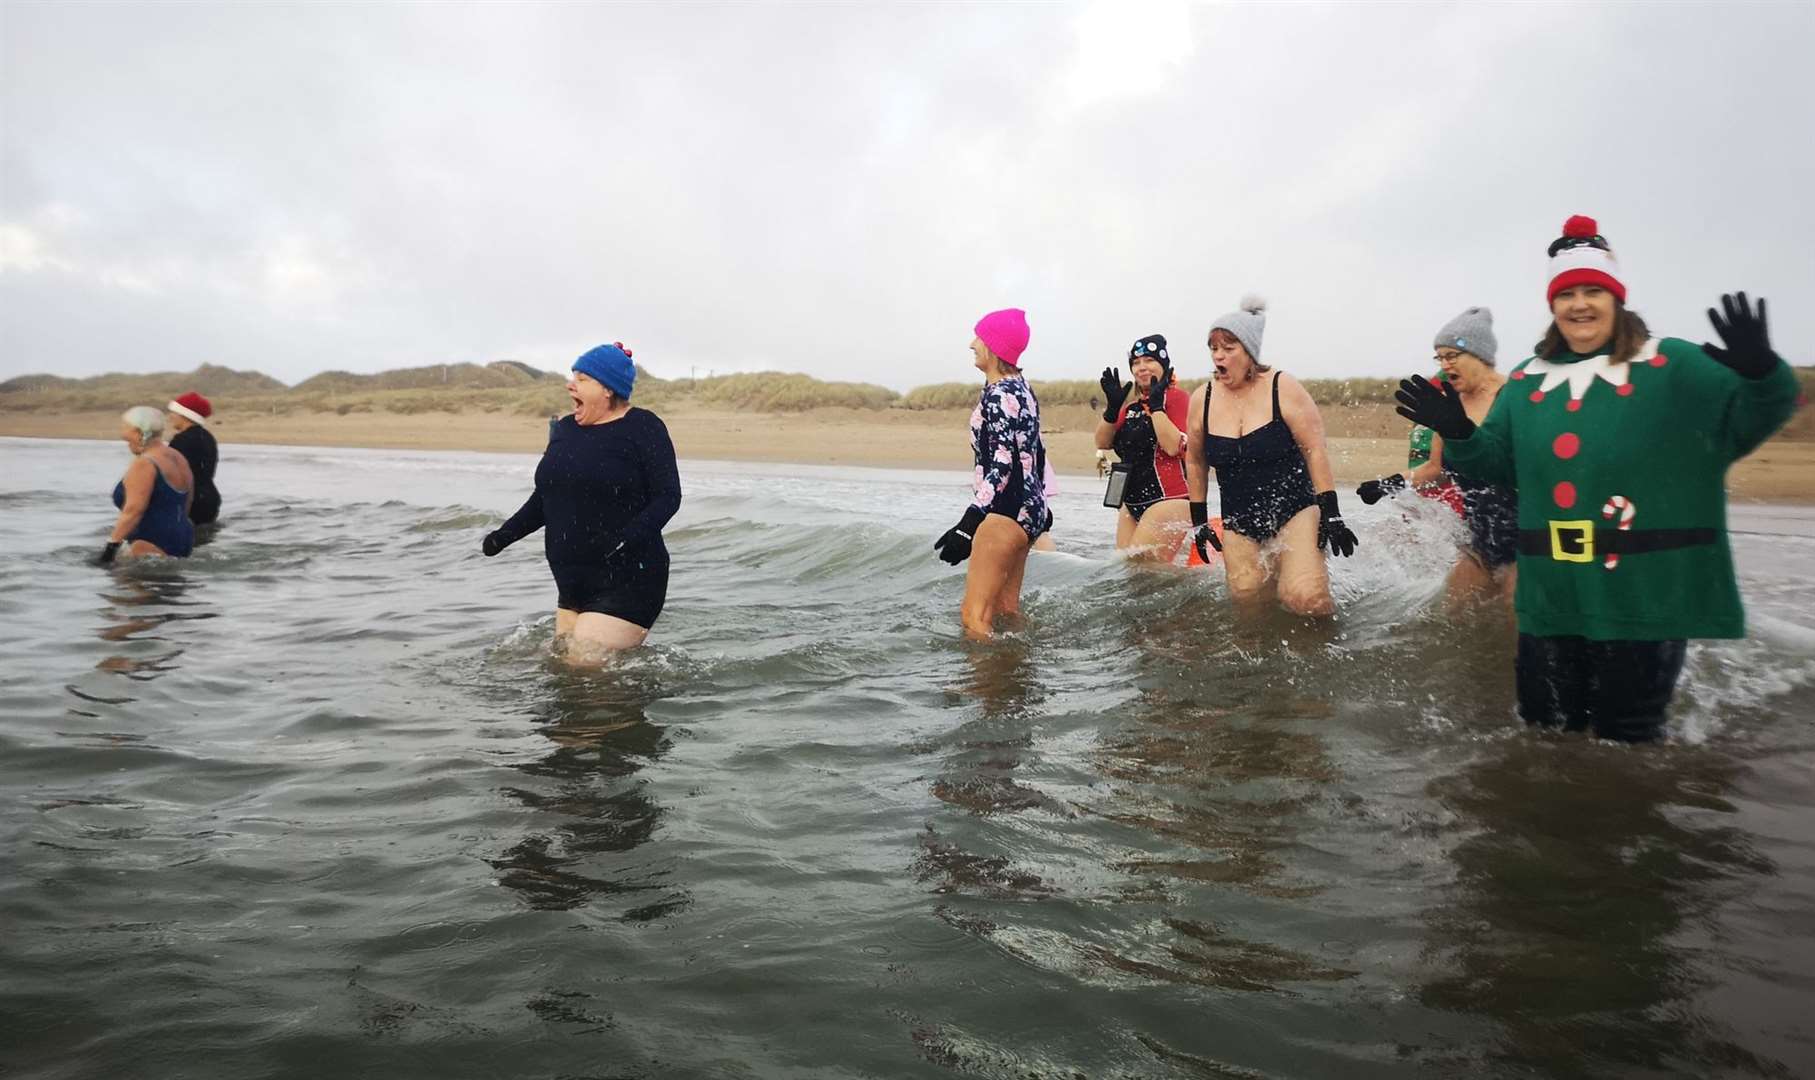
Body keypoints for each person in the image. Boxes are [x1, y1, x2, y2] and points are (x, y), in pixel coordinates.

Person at [1396, 215, 1801, 742]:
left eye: (1593, 291)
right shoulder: (1529, 378)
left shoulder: (1669, 362)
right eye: (1567, 294)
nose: (1580, 304)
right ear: (1553, 305)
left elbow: (1747, 419)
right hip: (1552, 594)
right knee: (1544, 733)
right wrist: (1458, 432)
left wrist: (1764, 372)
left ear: (1617, 299)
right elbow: (1495, 463)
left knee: (1626, 743)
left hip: (1643, 595)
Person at [482, 342, 682, 653]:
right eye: (573, 375)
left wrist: (624, 539)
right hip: (571, 584)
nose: (570, 384)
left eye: (583, 378)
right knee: (566, 678)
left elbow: (668, 496)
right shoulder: (564, 430)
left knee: (586, 676)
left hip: (628, 577)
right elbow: (546, 497)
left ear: (608, 389)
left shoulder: (644, 427)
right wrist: (504, 535)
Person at [1184, 297, 1357, 616]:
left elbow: (1315, 449)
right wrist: (1199, 522)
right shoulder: (1203, 399)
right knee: (1248, 605)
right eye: (1213, 348)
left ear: (1249, 351)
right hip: (1239, 519)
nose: (1218, 356)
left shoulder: (1283, 387)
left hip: (1295, 510)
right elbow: (1195, 460)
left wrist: (1331, 512)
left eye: (1228, 347)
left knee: (1306, 599)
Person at [1358, 308, 1516, 609]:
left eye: (1452, 356)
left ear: (1480, 355)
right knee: (1450, 614)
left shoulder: (1514, 395)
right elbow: (1434, 469)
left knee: (1514, 621)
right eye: (1439, 357)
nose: (1444, 365)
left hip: (1525, 538)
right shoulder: (1451, 405)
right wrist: (1389, 484)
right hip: (1480, 539)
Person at [934, 308, 1048, 640]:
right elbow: (1034, 449)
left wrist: (969, 525)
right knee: (1005, 612)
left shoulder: (998, 396)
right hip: (1029, 511)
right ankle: (1015, 678)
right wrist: (1040, 506)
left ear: (995, 347)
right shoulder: (1022, 388)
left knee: (974, 615)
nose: (972, 343)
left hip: (1004, 511)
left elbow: (1002, 464)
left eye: (980, 338)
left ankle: (984, 687)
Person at [1096, 333, 1192, 561]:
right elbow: (1102, 442)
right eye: (1136, 363)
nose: (1141, 368)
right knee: (1124, 573)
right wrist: (1112, 409)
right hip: (1131, 502)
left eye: (1149, 360)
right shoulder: (1131, 407)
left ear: (1164, 366)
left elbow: (1172, 447)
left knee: (1143, 570)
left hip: (1169, 501)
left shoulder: (1178, 398)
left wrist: (1157, 408)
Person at [99, 406, 195, 564]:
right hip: (183, 538)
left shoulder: (145, 464)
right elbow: (187, 502)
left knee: (132, 585)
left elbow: (133, 511)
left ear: (139, 432)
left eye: (125, 428)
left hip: (149, 541)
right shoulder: (178, 457)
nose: (123, 435)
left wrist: (110, 549)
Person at [165, 391, 222, 526]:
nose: (170, 417)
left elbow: (171, 475)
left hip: (191, 501)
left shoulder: (182, 440)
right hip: (209, 498)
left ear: (185, 415)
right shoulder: (208, 437)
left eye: (173, 412)